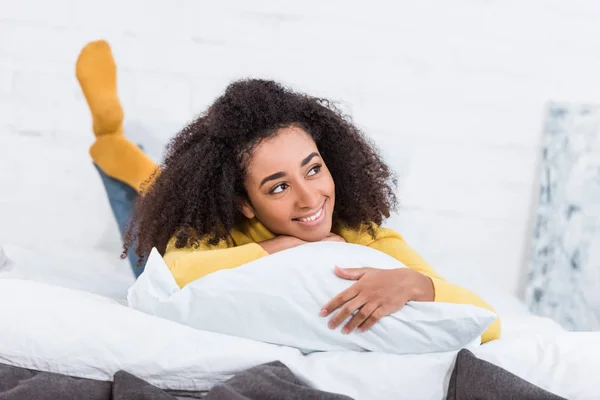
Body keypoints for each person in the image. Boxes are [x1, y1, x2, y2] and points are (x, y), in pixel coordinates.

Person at [76, 40, 501, 343]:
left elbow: (490, 322)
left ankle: (117, 147)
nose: (310, 198)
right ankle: (112, 142)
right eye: (278, 186)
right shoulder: (214, 226)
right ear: (244, 202)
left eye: (313, 169)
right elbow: (172, 274)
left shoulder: (363, 235)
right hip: (168, 245)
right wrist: (283, 247)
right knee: (151, 203)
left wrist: (413, 284)